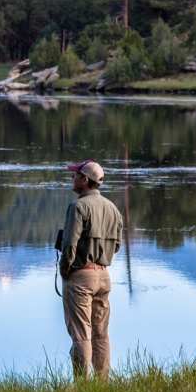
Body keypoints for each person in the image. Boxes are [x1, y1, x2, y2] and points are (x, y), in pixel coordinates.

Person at [58, 158, 123, 380]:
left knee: (81, 334)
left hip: (81, 277)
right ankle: (102, 383)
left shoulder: (78, 207)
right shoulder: (113, 208)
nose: (72, 178)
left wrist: (65, 270)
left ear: (85, 180)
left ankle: (82, 386)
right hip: (104, 276)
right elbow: (116, 246)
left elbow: (69, 246)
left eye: (75, 175)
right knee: (101, 333)